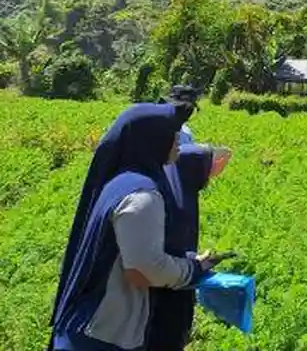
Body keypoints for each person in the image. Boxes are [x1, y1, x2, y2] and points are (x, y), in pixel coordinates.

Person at [48, 103, 216, 351]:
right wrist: (192, 269)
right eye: (172, 132)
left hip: (85, 324)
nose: (179, 139)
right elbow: (143, 270)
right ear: (151, 139)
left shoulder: (121, 180)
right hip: (102, 333)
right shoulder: (142, 195)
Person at [147, 143, 233, 350]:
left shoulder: (178, 189)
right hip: (161, 294)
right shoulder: (170, 204)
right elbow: (161, 258)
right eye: (203, 171)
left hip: (175, 283)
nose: (207, 179)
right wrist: (195, 265)